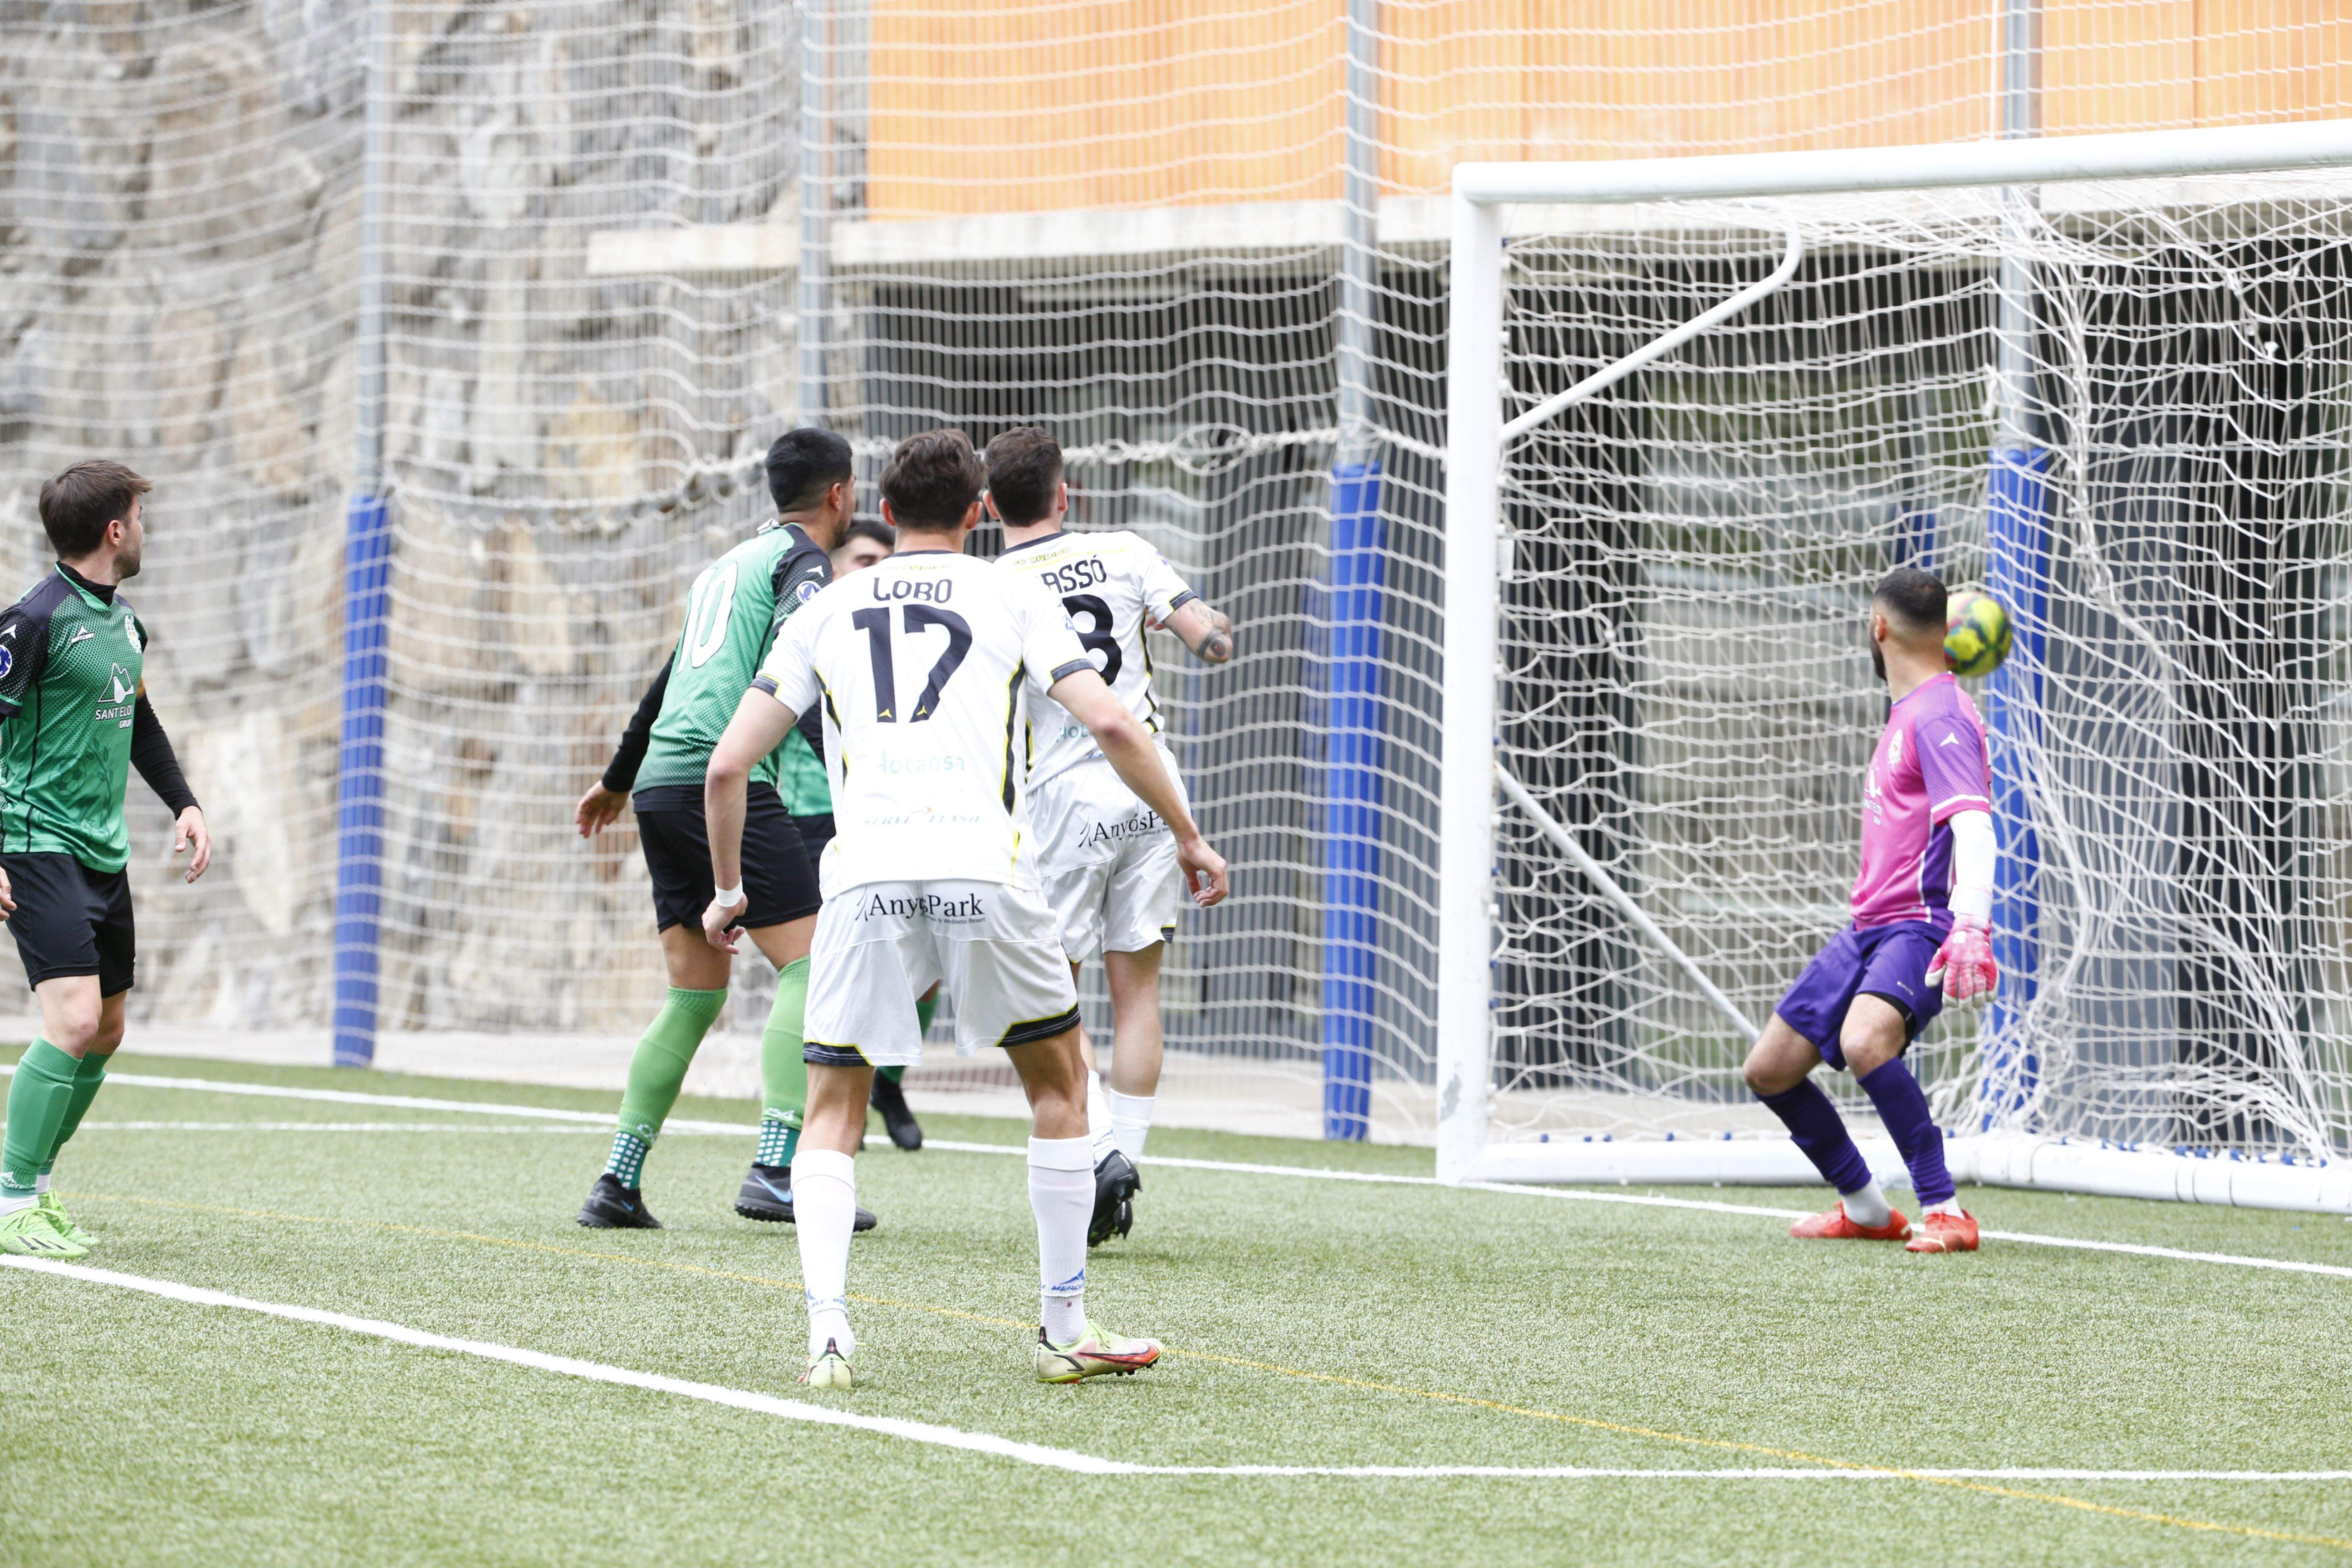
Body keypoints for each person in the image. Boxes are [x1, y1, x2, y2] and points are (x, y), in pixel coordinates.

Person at [701, 429, 1228, 1387]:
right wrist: (1186, 832)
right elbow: (1111, 719)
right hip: (985, 867)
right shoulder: (1010, 591)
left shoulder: (830, 605)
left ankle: (829, 1336)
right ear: (980, 512)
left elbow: (729, 762)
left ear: (885, 513)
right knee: (1061, 1088)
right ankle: (1064, 1327)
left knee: (832, 1103)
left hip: (864, 878)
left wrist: (731, 889)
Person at [572, 428, 873, 1232]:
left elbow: (668, 680)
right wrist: (865, 775)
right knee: (811, 964)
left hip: (662, 787)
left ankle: (618, 1182)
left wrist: (616, 778)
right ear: (839, 494)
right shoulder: (802, 566)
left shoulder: (723, 569)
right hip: (722, 783)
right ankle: (778, 1167)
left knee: (693, 996)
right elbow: (807, 675)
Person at [983, 428, 1234, 1243]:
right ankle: (1122, 1159)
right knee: (1141, 993)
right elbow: (1211, 640)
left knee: (1055, 993)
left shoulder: (991, 584)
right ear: (1067, 494)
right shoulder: (1127, 551)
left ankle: (1095, 1159)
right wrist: (1197, 621)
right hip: (1151, 788)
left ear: (988, 506)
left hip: (1060, 797)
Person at [1741, 566, 1995, 1256]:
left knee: (1864, 1043)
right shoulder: (1911, 709)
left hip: (1920, 923)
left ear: (1878, 626)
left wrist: (1971, 926)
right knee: (1769, 1070)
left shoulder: (1941, 714)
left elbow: (1974, 827)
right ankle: (1866, 1208)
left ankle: (1945, 1210)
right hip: (1867, 928)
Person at [0, 460, 211, 1258]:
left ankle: (34, 1190)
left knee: (109, 1029)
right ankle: (10, 1202)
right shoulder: (33, 620)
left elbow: (141, 724)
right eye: (139, 518)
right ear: (115, 531)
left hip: (102, 854)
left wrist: (185, 804)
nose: (145, 532)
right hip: (35, 843)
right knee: (75, 1019)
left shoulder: (125, 625)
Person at [776, 514, 930, 1152]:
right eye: (864, 559)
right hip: (816, 820)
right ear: (835, 566)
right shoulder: (815, 628)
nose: (876, 570)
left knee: (924, 950)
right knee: (829, 966)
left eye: (884, 561)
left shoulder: (912, 635)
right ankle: (818, 1111)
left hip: (898, 820)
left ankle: (888, 1075)